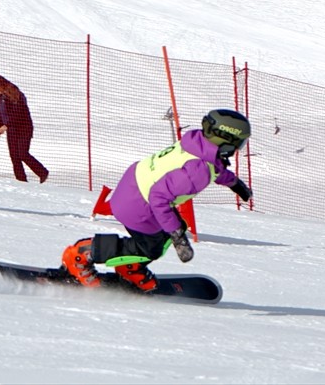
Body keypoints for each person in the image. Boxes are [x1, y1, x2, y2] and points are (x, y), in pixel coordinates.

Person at [60, 108, 253, 292]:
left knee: (164, 235)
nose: (239, 148)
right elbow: (159, 196)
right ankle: (81, 254)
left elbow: (214, 168)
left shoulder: (197, 144)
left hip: (135, 185)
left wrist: (234, 183)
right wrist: (178, 237)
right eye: (240, 143)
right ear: (226, 140)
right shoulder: (198, 170)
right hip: (138, 205)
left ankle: (129, 267)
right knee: (150, 248)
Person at [0, 74, 49, 183]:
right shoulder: (1, 95)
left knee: (22, 153)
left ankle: (42, 172)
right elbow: (0, 111)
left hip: (23, 128)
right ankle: (21, 180)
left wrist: (6, 125)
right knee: (14, 156)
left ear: (1, 85)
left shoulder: (15, 94)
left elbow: (18, 113)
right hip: (12, 129)